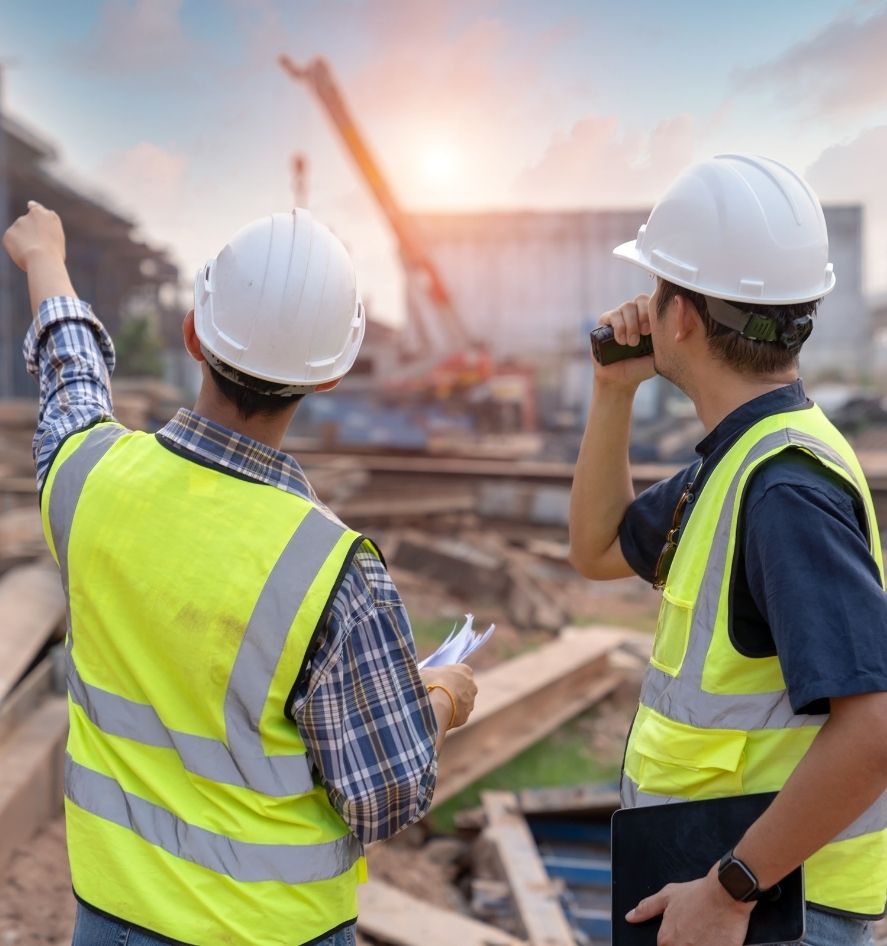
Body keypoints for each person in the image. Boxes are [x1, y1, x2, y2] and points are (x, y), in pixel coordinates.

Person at [2, 203, 477, 946]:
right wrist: (440, 697)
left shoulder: (86, 480)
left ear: (194, 332)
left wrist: (45, 263)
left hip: (111, 919)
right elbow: (385, 795)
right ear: (329, 379)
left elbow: (71, 384)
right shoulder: (335, 572)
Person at [568, 154, 887, 946]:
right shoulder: (742, 458)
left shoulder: (781, 489)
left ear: (678, 318)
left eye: (656, 286)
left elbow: (875, 724)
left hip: (770, 910)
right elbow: (596, 546)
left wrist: (732, 887)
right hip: (733, 894)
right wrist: (613, 389)